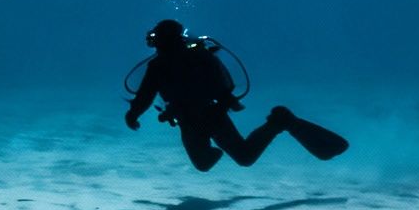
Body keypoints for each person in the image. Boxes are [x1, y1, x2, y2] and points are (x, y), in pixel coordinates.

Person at [124, 19, 349, 171]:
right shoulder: (200, 57)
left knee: (229, 159)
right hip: (208, 115)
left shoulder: (160, 65)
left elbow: (145, 95)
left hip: (200, 117)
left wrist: (133, 114)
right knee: (230, 159)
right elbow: (223, 87)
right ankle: (279, 122)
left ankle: (280, 121)